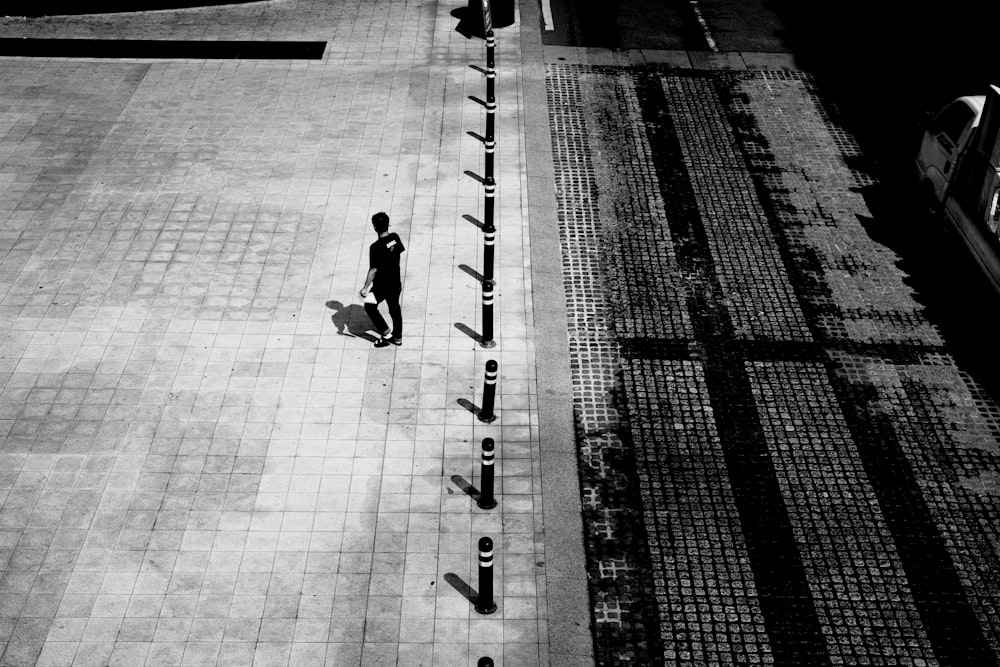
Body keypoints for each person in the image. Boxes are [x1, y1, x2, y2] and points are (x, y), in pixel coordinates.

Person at [359, 212, 405, 347]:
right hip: (395, 282)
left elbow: (373, 270)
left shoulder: (375, 248)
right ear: (388, 224)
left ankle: (386, 334)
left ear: (374, 227)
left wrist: (365, 287)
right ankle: (398, 337)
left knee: (369, 306)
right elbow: (396, 250)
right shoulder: (395, 237)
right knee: (394, 308)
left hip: (381, 286)